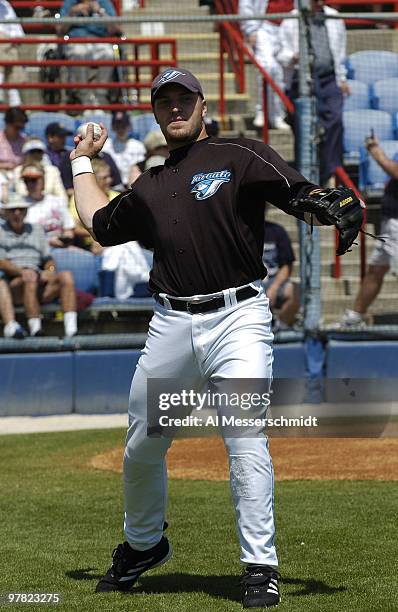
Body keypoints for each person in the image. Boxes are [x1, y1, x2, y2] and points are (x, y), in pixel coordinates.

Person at [70, 68, 363, 608]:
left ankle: (261, 566)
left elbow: (297, 193)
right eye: (166, 102)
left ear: (204, 106)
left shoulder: (239, 153)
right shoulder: (150, 184)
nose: (176, 108)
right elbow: (101, 224)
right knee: (142, 446)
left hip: (239, 319)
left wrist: (328, 203)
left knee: (244, 438)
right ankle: (143, 545)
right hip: (172, 327)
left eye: (185, 99)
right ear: (156, 113)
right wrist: (80, 161)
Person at [277, 0, 350, 185]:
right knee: (304, 126)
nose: (317, 3)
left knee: (335, 120)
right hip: (301, 79)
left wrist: (342, 79)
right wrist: (293, 56)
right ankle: (305, 175)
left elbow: (340, 53)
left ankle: (330, 171)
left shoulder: (333, 18)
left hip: (329, 78)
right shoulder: (291, 20)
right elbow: (281, 55)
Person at [339, 135, 398, 328]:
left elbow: (396, 171)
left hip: (396, 222)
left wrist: (376, 152)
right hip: (390, 220)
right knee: (376, 269)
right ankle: (356, 315)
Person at [0, 197, 78, 337]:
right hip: (14, 282)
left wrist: (50, 271)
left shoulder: (36, 229)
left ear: (26, 212)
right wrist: (22, 272)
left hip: (38, 278)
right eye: (13, 210)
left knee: (66, 276)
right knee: (30, 278)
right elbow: (1, 262)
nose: (17, 213)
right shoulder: (1, 231)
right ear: (6, 213)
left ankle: (71, 331)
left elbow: (48, 258)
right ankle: (36, 330)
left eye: (21, 209)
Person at [57, 0, 121, 105]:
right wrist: (72, 12)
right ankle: (84, 97)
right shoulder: (70, 3)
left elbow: (116, 29)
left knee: (108, 54)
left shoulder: (104, 2)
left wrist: (100, 11)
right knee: (79, 53)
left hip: (99, 41)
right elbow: (60, 29)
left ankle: (101, 97)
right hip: (77, 41)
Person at [239, 0, 290, 130]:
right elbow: (246, 5)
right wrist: (250, 30)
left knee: (283, 75)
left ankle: (278, 115)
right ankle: (262, 111)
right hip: (264, 26)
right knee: (267, 68)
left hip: (289, 26)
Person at [21, 162, 76, 248]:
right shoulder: (20, 206)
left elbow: (69, 230)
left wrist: (64, 241)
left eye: (33, 180)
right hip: (33, 249)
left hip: (60, 248)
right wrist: (48, 242)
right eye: (26, 180)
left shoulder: (57, 201)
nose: (30, 184)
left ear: (43, 180)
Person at [262, 217, 300, 328]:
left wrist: (274, 288)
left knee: (295, 290)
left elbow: (287, 265)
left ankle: (280, 326)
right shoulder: (238, 231)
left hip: (272, 281)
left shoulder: (275, 230)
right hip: (249, 283)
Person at [13, 137, 68, 205]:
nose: (36, 154)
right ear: (26, 154)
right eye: (32, 152)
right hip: (26, 208)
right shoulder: (18, 171)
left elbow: (61, 196)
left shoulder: (52, 170)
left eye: (39, 151)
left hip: (50, 208)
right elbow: (21, 192)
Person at [102, 111, 146, 187]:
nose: (120, 129)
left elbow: (141, 169)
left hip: (134, 185)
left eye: (123, 126)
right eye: (117, 126)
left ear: (129, 126)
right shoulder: (106, 145)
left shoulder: (138, 145)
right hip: (113, 185)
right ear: (112, 127)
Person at [0, 0, 25, 106]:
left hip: (8, 47)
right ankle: (15, 101)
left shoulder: (5, 4)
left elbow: (18, 33)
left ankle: (9, 97)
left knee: (8, 48)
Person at [0, 107, 27, 174]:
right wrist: (7, 166)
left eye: (21, 128)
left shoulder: (25, 141)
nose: (19, 131)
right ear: (7, 124)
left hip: (20, 174)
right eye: (17, 127)